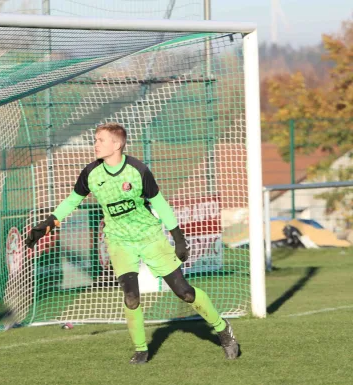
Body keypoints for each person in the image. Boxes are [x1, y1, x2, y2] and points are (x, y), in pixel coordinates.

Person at [25, 122, 239, 364]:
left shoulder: (138, 170)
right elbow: (72, 201)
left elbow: (160, 204)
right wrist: (47, 224)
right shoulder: (90, 174)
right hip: (118, 241)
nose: (95, 144)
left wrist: (178, 238)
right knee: (131, 297)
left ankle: (223, 330)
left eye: (100, 140)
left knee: (185, 293)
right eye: (95, 139)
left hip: (150, 237)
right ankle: (141, 350)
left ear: (116, 144)